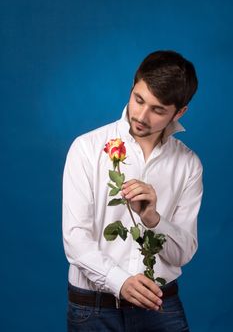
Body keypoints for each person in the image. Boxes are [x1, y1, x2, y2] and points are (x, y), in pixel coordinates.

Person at [62, 50, 203, 331]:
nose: (141, 115)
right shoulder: (86, 148)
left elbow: (182, 254)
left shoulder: (189, 165)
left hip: (161, 307)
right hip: (93, 309)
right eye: (139, 99)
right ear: (133, 88)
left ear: (180, 111)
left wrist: (154, 219)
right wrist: (120, 281)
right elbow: (75, 238)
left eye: (158, 109)